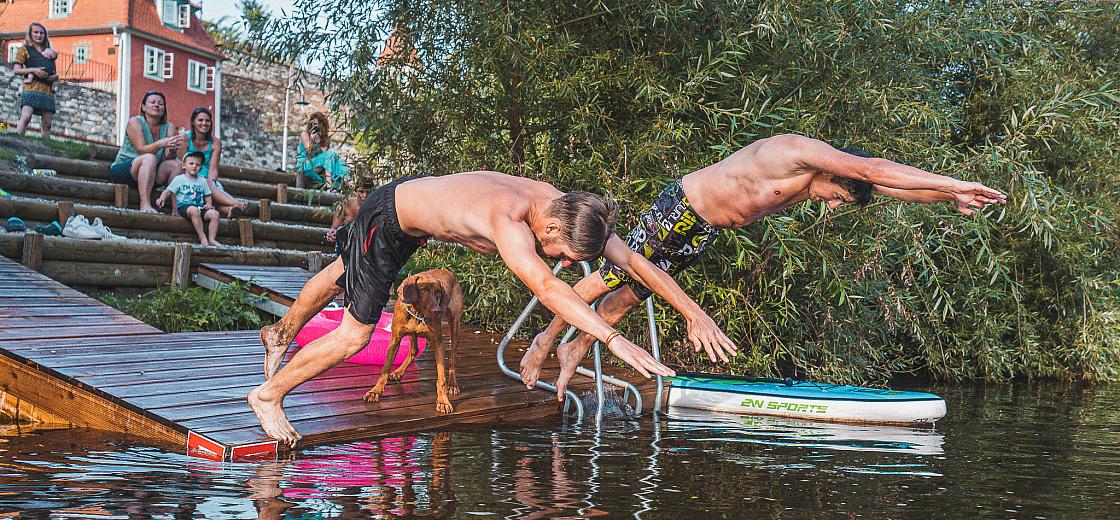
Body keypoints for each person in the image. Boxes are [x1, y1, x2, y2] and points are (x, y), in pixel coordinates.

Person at [249, 172, 738, 447]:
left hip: (408, 211)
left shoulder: (567, 207)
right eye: (567, 255)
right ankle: (270, 395)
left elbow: (633, 259)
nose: (569, 264)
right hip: (390, 218)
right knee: (356, 332)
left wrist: (693, 311)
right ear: (550, 233)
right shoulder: (508, 220)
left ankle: (280, 334)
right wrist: (612, 338)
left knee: (343, 269)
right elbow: (549, 290)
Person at [520, 133, 1009, 400]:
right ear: (833, 174)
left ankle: (573, 351)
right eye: (837, 195)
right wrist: (954, 181)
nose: (832, 206)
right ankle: (545, 341)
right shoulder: (797, 153)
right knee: (613, 275)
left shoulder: (826, 178)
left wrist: (943, 197)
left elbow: (882, 185)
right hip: (680, 208)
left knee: (628, 297)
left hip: (704, 229)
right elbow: (874, 169)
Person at [108, 91, 183, 213]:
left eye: (160, 104)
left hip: (150, 173)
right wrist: (161, 143)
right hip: (125, 170)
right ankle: (145, 204)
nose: (157, 105)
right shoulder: (135, 122)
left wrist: (173, 149)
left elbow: (167, 157)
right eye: (152, 102)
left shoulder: (169, 127)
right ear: (143, 107)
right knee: (149, 157)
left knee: (176, 164)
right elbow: (141, 149)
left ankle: (176, 209)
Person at [175, 107, 248, 218]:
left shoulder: (215, 142)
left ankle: (229, 210)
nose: (204, 123)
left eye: (207, 121)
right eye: (200, 120)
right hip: (189, 178)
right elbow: (181, 164)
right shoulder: (185, 138)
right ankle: (236, 204)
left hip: (208, 179)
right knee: (204, 186)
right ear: (193, 122)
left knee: (208, 186)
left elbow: (213, 169)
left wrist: (210, 182)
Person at [155, 152, 222, 246]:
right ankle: (202, 237)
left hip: (200, 207)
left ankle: (212, 239)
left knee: (215, 214)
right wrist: (161, 198)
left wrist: (209, 204)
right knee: (194, 211)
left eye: (197, 164)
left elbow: (207, 195)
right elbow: (168, 191)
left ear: (201, 168)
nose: (194, 166)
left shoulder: (202, 180)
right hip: (184, 207)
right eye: (191, 163)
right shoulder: (179, 179)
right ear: (183, 166)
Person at [12, 23, 59, 138]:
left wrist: (54, 79)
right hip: (31, 87)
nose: (39, 35)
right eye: (36, 32)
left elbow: (53, 71)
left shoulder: (50, 52)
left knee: (47, 124)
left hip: (47, 90)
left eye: (41, 33)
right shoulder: (24, 50)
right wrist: (34, 70)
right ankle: (17, 140)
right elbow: (16, 70)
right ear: (30, 34)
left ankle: (46, 147)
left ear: (45, 35)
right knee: (26, 117)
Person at [296, 112, 349, 190]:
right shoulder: (304, 134)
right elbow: (309, 151)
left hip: (319, 168)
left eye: (317, 125)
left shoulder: (325, 140)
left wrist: (319, 141)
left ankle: (348, 181)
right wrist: (312, 139)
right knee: (331, 154)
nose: (315, 127)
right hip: (305, 165)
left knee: (340, 161)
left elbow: (326, 161)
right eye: (313, 124)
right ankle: (329, 185)